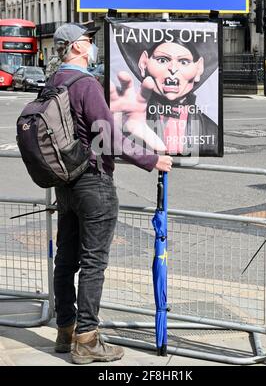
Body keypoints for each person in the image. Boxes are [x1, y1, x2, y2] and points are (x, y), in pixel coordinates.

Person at [51, 23, 172, 365]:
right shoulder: (86, 84)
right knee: (93, 262)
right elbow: (111, 138)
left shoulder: (54, 82)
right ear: (75, 48)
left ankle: (66, 331)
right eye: (88, 42)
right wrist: (152, 159)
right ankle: (87, 340)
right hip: (93, 181)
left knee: (66, 258)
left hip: (66, 183)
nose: (92, 47)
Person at [111, 25, 219, 156]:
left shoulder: (211, 130)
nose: (173, 69)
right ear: (144, 63)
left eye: (184, 62)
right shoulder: (129, 120)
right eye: (162, 60)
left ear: (198, 69)